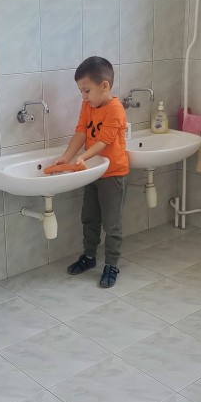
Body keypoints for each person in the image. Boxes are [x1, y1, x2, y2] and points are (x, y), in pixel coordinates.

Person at [55, 56, 129, 288]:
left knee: (112, 223)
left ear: (104, 86)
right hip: (92, 172)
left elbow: (104, 141)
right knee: (89, 217)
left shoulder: (115, 109)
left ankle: (112, 264)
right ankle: (89, 256)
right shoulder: (88, 106)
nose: (83, 96)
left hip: (112, 173)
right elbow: (81, 133)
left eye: (86, 91)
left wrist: (83, 157)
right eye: (81, 91)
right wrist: (67, 157)